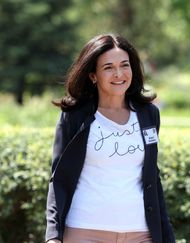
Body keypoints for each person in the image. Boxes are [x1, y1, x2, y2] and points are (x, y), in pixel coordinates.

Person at [45, 34, 175, 243]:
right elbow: (58, 178)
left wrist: (167, 236)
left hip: (141, 234)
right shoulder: (75, 116)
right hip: (84, 231)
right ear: (92, 75)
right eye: (108, 67)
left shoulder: (148, 114)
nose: (119, 74)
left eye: (125, 65)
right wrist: (53, 235)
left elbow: (152, 177)